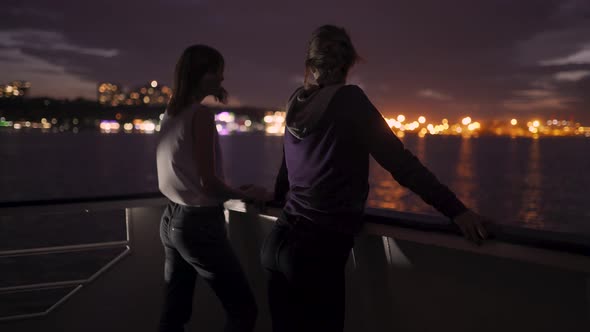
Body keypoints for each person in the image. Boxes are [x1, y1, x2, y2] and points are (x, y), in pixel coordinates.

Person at [261, 25, 489, 332]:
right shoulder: (350, 100)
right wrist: (456, 210)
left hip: (279, 240)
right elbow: (401, 164)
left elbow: (287, 170)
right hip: (317, 250)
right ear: (349, 62)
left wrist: (274, 197)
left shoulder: (295, 103)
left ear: (311, 66)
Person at [156, 44, 264, 332]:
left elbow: (188, 175)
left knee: (174, 315)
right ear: (201, 75)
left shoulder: (170, 113)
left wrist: (225, 188)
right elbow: (206, 182)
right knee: (243, 311)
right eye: (217, 72)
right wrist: (246, 195)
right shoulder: (200, 115)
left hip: (171, 219)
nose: (221, 80)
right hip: (198, 225)